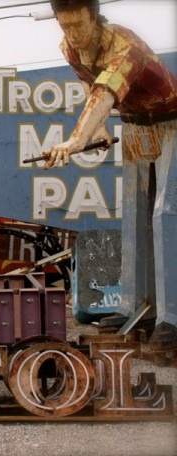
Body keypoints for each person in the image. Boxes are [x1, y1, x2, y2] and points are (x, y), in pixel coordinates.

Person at [44, 0, 177, 350]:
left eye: (79, 25)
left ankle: (171, 318)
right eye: (66, 26)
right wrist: (100, 130)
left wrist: (77, 139)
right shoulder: (70, 48)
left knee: (165, 213)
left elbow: (106, 92)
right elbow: (90, 86)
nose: (73, 34)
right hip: (135, 125)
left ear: (95, 17)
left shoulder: (125, 46)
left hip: (172, 121)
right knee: (133, 214)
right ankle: (134, 307)